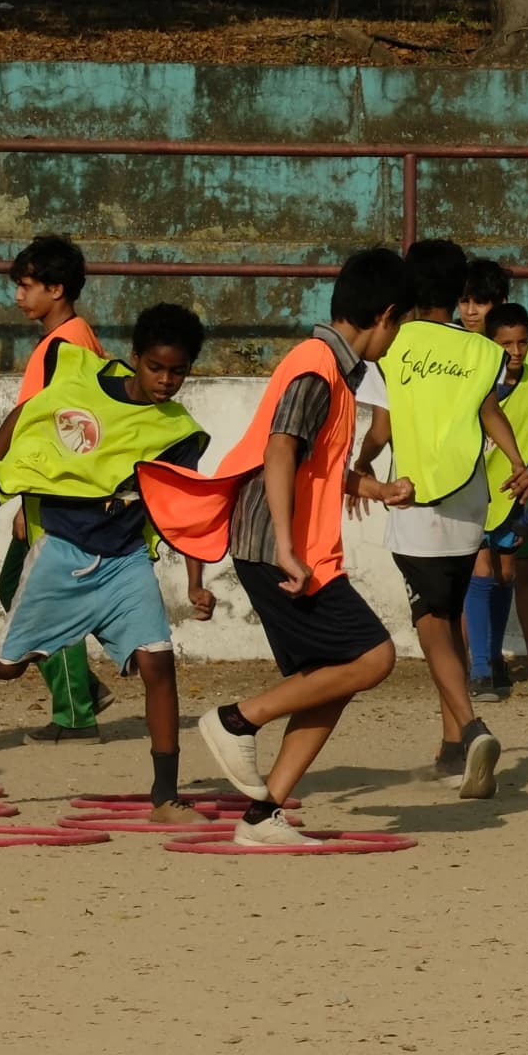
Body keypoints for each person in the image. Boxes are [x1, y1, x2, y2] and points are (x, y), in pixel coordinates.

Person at [147, 248, 411, 845]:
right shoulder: (317, 366)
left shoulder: (331, 370)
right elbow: (280, 449)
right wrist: (290, 548)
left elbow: (315, 462)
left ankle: (263, 819)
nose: (393, 344)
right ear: (386, 315)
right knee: (374, 658)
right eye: (399, 328)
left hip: (284, 544)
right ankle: (237, 719)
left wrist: (376, 487)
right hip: (280, 546)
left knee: (334, 678)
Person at [0, 304, 214, 813]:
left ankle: (166, 796)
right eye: (156, 367)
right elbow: (25, 415)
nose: (167, 380)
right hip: (63, 553)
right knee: (9, 666)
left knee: (159, 666)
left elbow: (184, 510)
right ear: (134, 358)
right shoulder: (80, 376)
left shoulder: (179, 433)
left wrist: (196, 581)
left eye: (179, 371)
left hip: (126, 562)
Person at [351, 239, 528, 798]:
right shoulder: (480, 350)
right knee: (448, 617)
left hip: (416, 500)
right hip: (469, 498)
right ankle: (454, 745)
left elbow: (384, 425)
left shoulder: (393, 345)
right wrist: (519, 463)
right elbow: (488, 410)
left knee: (430, 623)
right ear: (459, 292)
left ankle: (473, 729)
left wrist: (360, 464)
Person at [1, 232, 107, 734]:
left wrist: (32, 498)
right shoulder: (71, 340)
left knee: (47, 595)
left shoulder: (64, 346)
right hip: (59, 490)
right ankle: (83, 688)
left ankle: (75, 715)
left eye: (26, 285)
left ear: (56, 289)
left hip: (56, 492)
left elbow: (56, 427)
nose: (19, 296)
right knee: (15, 586)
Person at [463, 301, 528, 699]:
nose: (516, 352)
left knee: (507, 574)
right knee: (480, 572)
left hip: (512, 495)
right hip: (470, 491)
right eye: (507, 345)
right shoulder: (472, 382)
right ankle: (480, 668)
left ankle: (496, 663)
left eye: (522, 343)